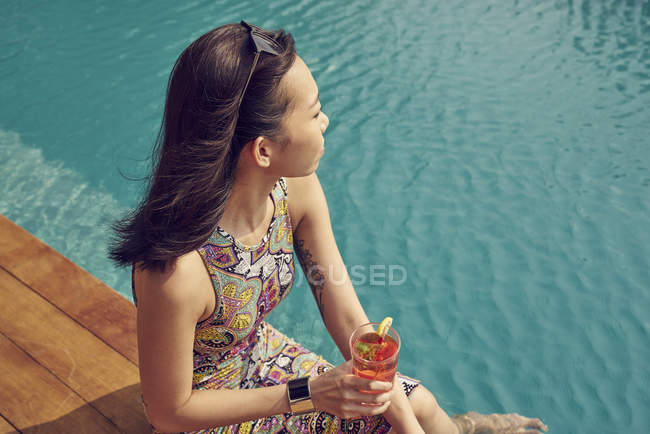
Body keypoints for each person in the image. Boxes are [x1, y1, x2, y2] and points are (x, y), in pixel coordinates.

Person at [110, 21, 548, 433]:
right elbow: (168, 412)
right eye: (314, 113)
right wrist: (309, 394)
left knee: (418, 402)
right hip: (209, 416)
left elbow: (343, 308)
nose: (326, 123)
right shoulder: (175, 271)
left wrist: (403, 419)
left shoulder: (294, 190)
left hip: (263, 361)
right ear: (263, 150)